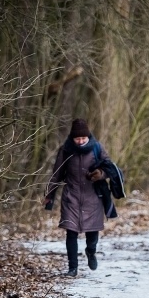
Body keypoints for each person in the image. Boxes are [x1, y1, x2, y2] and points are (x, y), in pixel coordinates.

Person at [44, 118, 116, 277]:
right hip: (71, 197)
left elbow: (110, 168)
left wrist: (101, 174)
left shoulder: (97, 148)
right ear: (72, 138)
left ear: (88, 136)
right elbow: (56, 174)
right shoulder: (66, 150)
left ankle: (91, 251)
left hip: (93, 198)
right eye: (78, 138)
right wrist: (49, 196)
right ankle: (72, 268)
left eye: (83, 138)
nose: (81, 141)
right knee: (71, 233)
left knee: (92, 234)